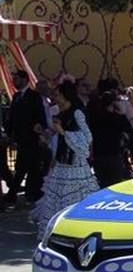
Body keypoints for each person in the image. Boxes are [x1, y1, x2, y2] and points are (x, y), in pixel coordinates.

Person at [31, 81, 99, 238]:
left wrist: (63, 132)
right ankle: (58, 232)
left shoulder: (77, 113)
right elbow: (55, 136)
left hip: (75, 164)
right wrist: (44, 133)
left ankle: (75, 231)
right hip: (62, 163)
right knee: (55, 198)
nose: (55, 97)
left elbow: (88, 137)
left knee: (74, 198)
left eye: (58, 94)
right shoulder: (61, 113)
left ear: (66, 95)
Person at [8, 71, 48, 204]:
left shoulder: (34, 96)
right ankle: (21, 193)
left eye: (17, 79)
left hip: (32, 138)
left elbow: (40, 117)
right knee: (24, 167)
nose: (14, 81)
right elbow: (12, 118)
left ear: (25, 80)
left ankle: (22, 193)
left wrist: (39, 132)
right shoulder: (16, 96)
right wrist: (9, 134)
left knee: (29, 167)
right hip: (20, 138)